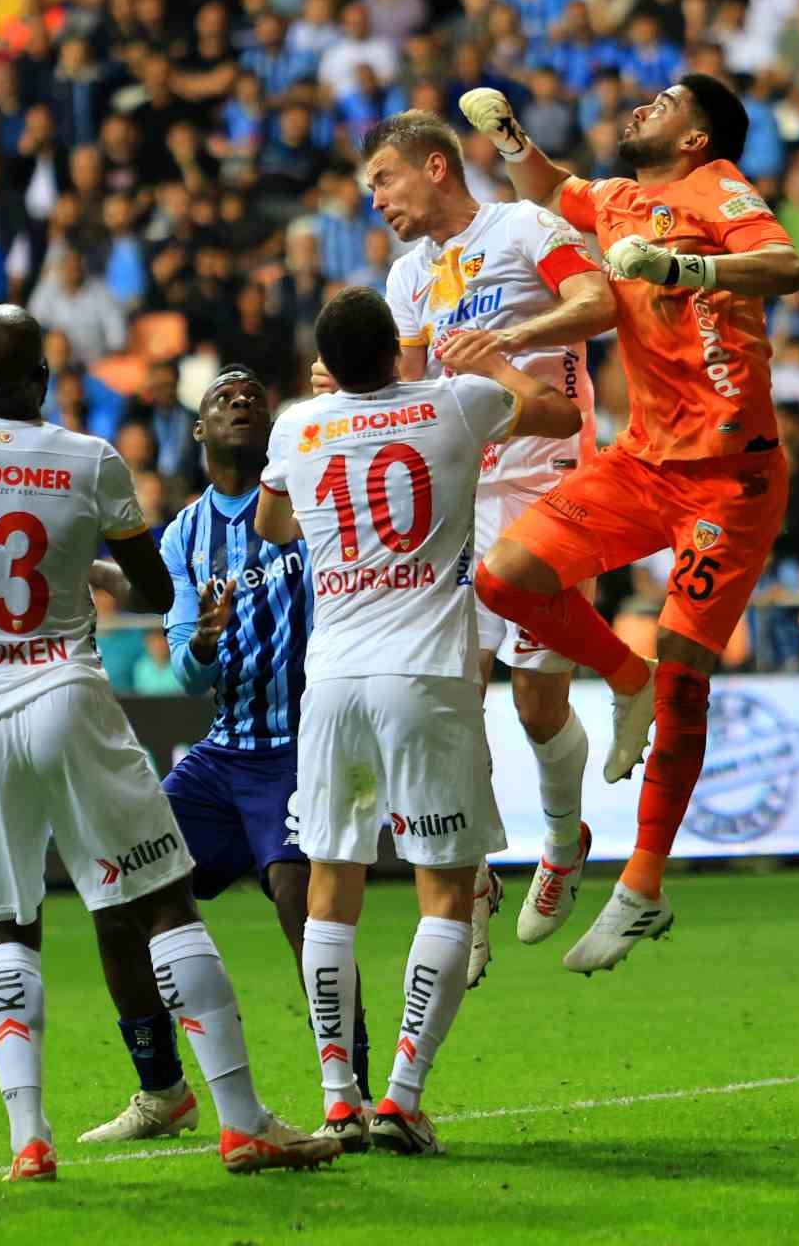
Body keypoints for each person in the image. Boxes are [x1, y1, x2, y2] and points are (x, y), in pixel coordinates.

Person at [0, 306, 339, 1181]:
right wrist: (86, 558)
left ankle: (28, 1141)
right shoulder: (87, 459)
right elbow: (155, 585)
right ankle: (243, 1121)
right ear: (41, 377)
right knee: (161, 902)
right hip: (65, 692)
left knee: (8, 924)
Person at [460, 74, 799, 972]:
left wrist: (687, 268)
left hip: (729, 481)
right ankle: (624, 677)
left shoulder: (717, 187)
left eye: (667, 100)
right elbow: (548, 186)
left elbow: (785, 267)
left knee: (690, 673)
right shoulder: (614, 199)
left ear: (697, 138)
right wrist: (506, 137)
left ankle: (640, 890)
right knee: (504, 576)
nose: (644, 104)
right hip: (640, 462)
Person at [255, 286, 582, 1154]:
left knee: (331, 885)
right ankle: (400, 1096)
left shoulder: (297, 424)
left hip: (331, 683)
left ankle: (336, 1096)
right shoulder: (455, 403)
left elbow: (273, 523)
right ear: (400, 353)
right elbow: (556, 414)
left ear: (328, 364)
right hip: (428, 678)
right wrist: (497, 363)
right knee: (444, 888)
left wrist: (329, 417)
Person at [347, 111, 613, 978]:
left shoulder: (525, 226)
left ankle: (564, 841)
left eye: (384, 180)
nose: (377, 200)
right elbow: (414, 387)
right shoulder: (406, 278)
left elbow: (597, 301)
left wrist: (512, 341)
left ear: (434, 164)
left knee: (538, 709)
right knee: (448, 707)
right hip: (459, 504)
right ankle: (471, 889)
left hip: (550, 484)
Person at [81, 365, 373, 1148]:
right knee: (117, 890)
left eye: (255, 395)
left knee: (298, 902)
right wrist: (204, 643)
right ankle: (161, 1090)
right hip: (223, 753)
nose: (243, 401)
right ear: (201, 432)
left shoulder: (311, 501)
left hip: (303, 745)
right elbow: (184, 672)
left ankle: (355, 1095)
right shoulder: (181, 535)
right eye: (224, 399)